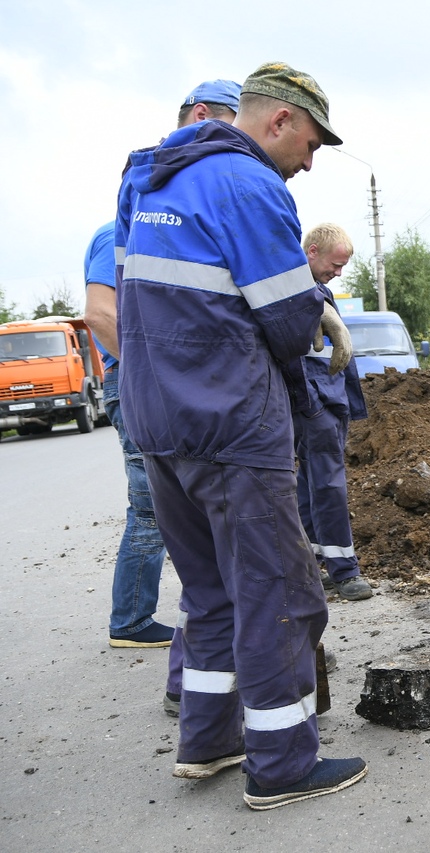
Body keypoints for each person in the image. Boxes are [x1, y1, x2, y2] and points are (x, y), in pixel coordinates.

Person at [115, 62, 366, 809]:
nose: (310, 163)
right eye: (312, 144)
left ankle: (208, 739)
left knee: (212, 593)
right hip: (231, 422)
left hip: (158, 422)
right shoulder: (251, 184)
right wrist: (318, 306)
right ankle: (282, 761)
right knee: (279, 593)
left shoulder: (148, 179)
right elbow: (288, 325)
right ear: (279, 122)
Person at [84, 79, 243, 652]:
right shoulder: (117, 232)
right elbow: (101, 315)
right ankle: (129, 621)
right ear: (201, 116)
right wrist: (154, 368)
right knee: (151, 507)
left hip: (146, 378)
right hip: (134, 381)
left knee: (165, 506)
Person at [294, 223, 372, 601]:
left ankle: (314, 567)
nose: (338, 273)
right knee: (326, 483)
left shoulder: (317, 291)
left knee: (310, 484)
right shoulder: (299, 288)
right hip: (315, 399)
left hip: (321, 398)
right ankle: (345, 572)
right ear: (311, 252)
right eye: (335, 264)